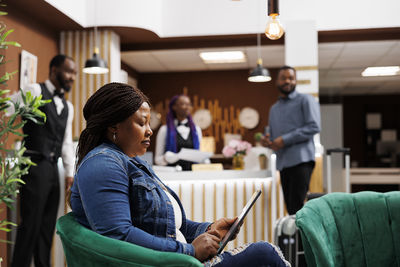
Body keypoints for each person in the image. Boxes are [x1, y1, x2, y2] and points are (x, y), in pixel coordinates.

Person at [70, 83, 290, 267]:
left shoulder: (133, 162)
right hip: (171, 262)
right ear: (113, 127)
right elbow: (119, 236)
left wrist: (209, 229)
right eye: (141, 123)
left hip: (177, 258)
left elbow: (175, 226)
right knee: (265, 254)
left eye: (149, 123)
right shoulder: (102, 164)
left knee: (264, 253)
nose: (150, 130)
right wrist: (189, 251)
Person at [10, 55, 77, 267]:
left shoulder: (69, 107)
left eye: (74, 73)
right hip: (32, 165)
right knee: (30, 225)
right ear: (54, 69)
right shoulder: (34, 90)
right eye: (68, 71)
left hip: (52, 170)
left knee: (47, 227)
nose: (72, 77)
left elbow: (66, 142)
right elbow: (8, 108)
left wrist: (69, 173)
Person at [262, 66, 321, 215]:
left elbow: (314, 126)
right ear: (277, 81)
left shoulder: (305, 100)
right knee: (291, 210)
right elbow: (273, 136)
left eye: (291, 78)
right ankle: (296, 239)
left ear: (295, 81)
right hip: (283, 164)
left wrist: (285, 139)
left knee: (297, 209)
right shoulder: (273, 109)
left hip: (301, 161)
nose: (287, 81)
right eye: (284, 78)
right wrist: (268, 141)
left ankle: (304, 239)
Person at [155, 94, 203, 170]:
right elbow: (157, 159)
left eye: (189, 104)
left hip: (193, 174)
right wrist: (166, 158)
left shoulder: (197, 130)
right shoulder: (164, 130)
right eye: (183, 104)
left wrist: (203, 160)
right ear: (174, 107)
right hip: (173, 175)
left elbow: (198, 154)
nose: (187, 107)